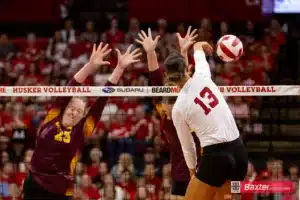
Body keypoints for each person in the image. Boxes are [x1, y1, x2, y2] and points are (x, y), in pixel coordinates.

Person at [22, 43, 141, 200]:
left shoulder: (83, 128)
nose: (74, 112)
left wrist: (119, 68)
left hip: (61, 190)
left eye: (79, 111)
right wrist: (90, 66)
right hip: (35, 184)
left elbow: (102, 100)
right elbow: (71, 87)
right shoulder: (53, 115)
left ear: (83, 114)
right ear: (65, 106)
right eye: (72, 107)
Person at [167, 41, 248, 200]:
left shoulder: (179, 108)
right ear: (189, 69)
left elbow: (188, 147)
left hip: (217, 159)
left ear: (168, 78)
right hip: (240, 153)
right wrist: (198, 44)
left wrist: (192, 171)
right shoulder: (202, 74)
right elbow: (199, 54)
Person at [136, 27, 201, 200]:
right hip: (179, 171)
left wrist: (184, 52)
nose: (164, 107)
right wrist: (150, 52)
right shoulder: (163, 109)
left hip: (199, 170)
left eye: (167, 103)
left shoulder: (187, 108)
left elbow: (184, 81)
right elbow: (156, 78)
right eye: (163, 103)